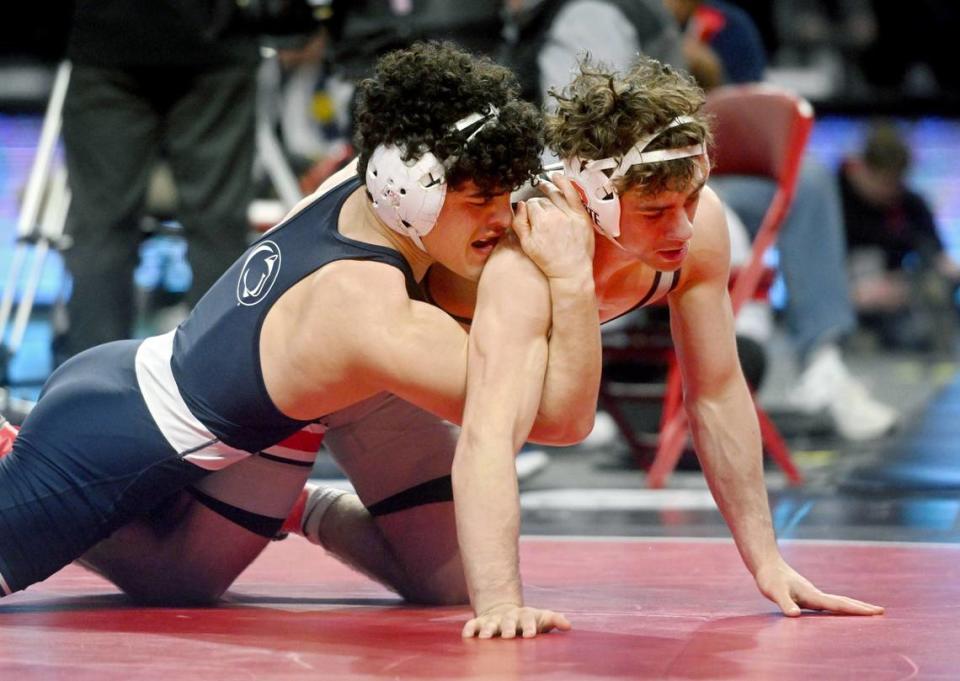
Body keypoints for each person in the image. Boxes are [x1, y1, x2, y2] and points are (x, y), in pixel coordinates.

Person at [0, 43, 600, 635]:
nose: (503, 218)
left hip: (250, 409)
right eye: (481, 201)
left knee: (189, 582)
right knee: (141, 570)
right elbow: (557, 421)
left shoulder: (369, 180)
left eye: (506, 195)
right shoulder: (367, 309)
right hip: (107, 437)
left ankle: (302, 507)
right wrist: (572, 281)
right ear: (410, 188)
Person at [285, 56, 884, 638]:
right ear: (591, 197)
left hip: (417, 369)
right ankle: (259, 492)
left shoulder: (699, 231)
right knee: (194, 568)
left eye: (691, 200)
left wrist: (766, 561)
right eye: (655, 210)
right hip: (320, 344)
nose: (681, 228)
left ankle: (299, 508)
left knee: (442, 579)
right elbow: (493, 434)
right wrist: (501, 604)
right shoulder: (522, 254)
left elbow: (718, 392)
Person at [663, 0, 898, 441]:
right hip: (645, 180)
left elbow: (743, 124)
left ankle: (822, 361)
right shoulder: (617, 17)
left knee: (806, 179)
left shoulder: (730, 26)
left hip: (712, 174)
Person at [58, 0, 260, 362]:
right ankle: (218, 386)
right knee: (216, 225)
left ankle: (89, 389)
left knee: (101, 226)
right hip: (214, 39)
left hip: (109, 39)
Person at [839, 121, 959, 352]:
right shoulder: (833, 201)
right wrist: (853, 293)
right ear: (861, 168)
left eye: (897, 182)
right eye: (884, 182)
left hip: (897, 303)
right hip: (840, 299)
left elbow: (938, 258)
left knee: (933, 294)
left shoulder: (909, 204)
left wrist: (904, 286)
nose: (890, 191)